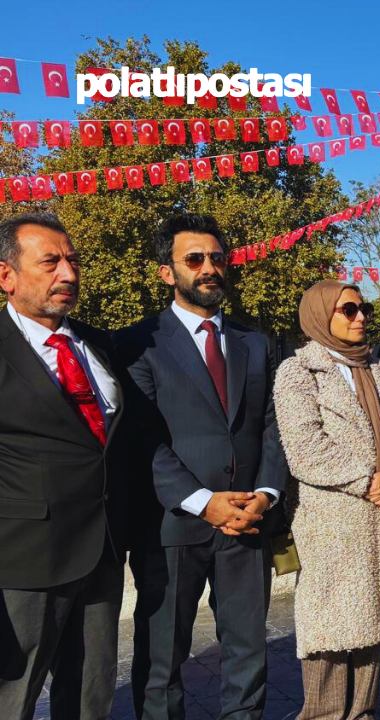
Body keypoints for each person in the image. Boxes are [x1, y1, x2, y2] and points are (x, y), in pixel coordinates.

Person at [116, 214, 286, 720]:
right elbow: (141, 437)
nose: (208, 268)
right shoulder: (137, 342)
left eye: (217, 258)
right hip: (172, 525)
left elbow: (273, 427)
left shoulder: (255, 342)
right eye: (194, 259)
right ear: (167, 272)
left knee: (249, 653)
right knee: (162, 659)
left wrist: (267, 494)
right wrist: (203, 502)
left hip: (248, 521)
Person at [273, 281, 380, 720]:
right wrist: (369, 480)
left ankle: (361, 712)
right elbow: (305, 448)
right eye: (348, 308)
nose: (360, 316)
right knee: (331, 628)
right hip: (334, 522)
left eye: (363, 307)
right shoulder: (298, 372)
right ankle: (323, 715)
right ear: (321, 314)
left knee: (374, 622)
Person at [0, 214, 128, 720]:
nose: (68, 273)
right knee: (14, 694)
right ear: (6, 275)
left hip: (102, 546)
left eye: (72, 260)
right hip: (23, 556)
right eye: (49, 262)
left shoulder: (99, 344)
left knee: (92, 690)